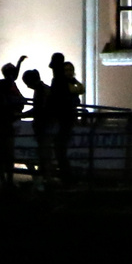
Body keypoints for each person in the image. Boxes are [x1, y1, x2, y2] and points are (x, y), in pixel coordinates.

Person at [0, 56, 27, 189]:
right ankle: (6, 180)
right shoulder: (5, 85)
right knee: (6, 155)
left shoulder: (2, 84)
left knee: (4, 155)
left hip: (3, 124)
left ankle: (6, 180)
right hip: (6, 123)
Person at [48, 57, 85, 185]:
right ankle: (67, 176)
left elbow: (80, 89)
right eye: (66, 69)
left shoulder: (59, 81)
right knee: (61, 149)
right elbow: (78, 90)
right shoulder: (62, 82)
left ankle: (66, 176)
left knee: (60, 149)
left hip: (64, 118)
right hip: (65, 118)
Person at [21, 67, 53, 185]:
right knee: (45, 153)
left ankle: (45, 178)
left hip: (44, 126)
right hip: (45, 125)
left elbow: (39, 109)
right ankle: (45, 178)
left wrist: (23, 114)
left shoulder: (40, 91)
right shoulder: (44, 89)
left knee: (44, 153)